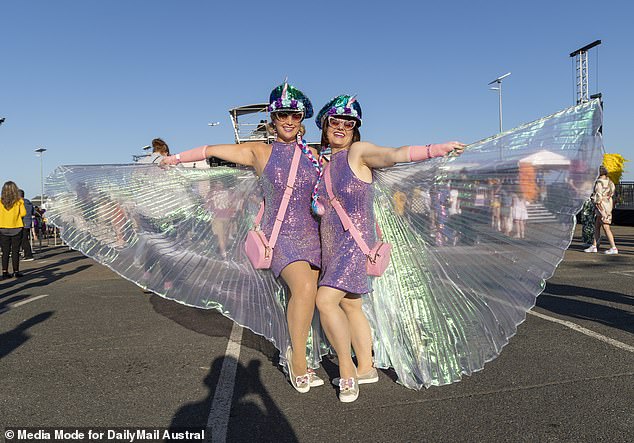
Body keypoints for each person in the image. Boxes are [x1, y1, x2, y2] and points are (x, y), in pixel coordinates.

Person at [162, 82, 324, 393]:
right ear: (273, 118)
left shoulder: (313, 154)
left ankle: (294, 349)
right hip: (282, 238)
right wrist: (174, 159)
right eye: (282, 115)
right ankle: (299, 363)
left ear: (301, 118)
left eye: (294, 115)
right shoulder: (259, 151)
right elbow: (211, 150)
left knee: (303, 297)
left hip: (313, 236)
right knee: (303, 289)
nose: (288, 121)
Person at [311, 95, 464, 402]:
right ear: (325, 127)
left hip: (354, 245)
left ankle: (347, 370)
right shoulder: (324, 165)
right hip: (331, 245)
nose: (341, 127)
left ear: (356, 129)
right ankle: (366, 366)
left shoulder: (358, 152)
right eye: (334, 122)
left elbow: (394, 154)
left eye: (348, 123)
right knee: (351, 306)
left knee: (325, 301)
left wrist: (435, 149)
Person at [584, 165, 618, 254]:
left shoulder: (599, 182)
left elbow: (597, 196)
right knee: (597, 226)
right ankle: (594, 246)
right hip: (608, 204)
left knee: (606, 227)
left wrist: (598, 204)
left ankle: (613, 247)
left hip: (601, 206)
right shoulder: (610, 181)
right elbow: (613, 192)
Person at [0, 181, 27, 279]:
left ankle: (4, 272)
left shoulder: (0, 201)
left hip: (3, 228)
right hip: (16, 227)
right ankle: (16, 271)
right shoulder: (19, 201)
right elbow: (23, 213)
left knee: (5, 251)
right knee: (15, 251)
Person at [19, 189, 35, 261]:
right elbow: (33, 212)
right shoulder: (29, 202)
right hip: (28, 222)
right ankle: (26, 254)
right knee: (25, 239)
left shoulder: (20, 203)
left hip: (22, 222)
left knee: (24, 240)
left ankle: (28, 255)